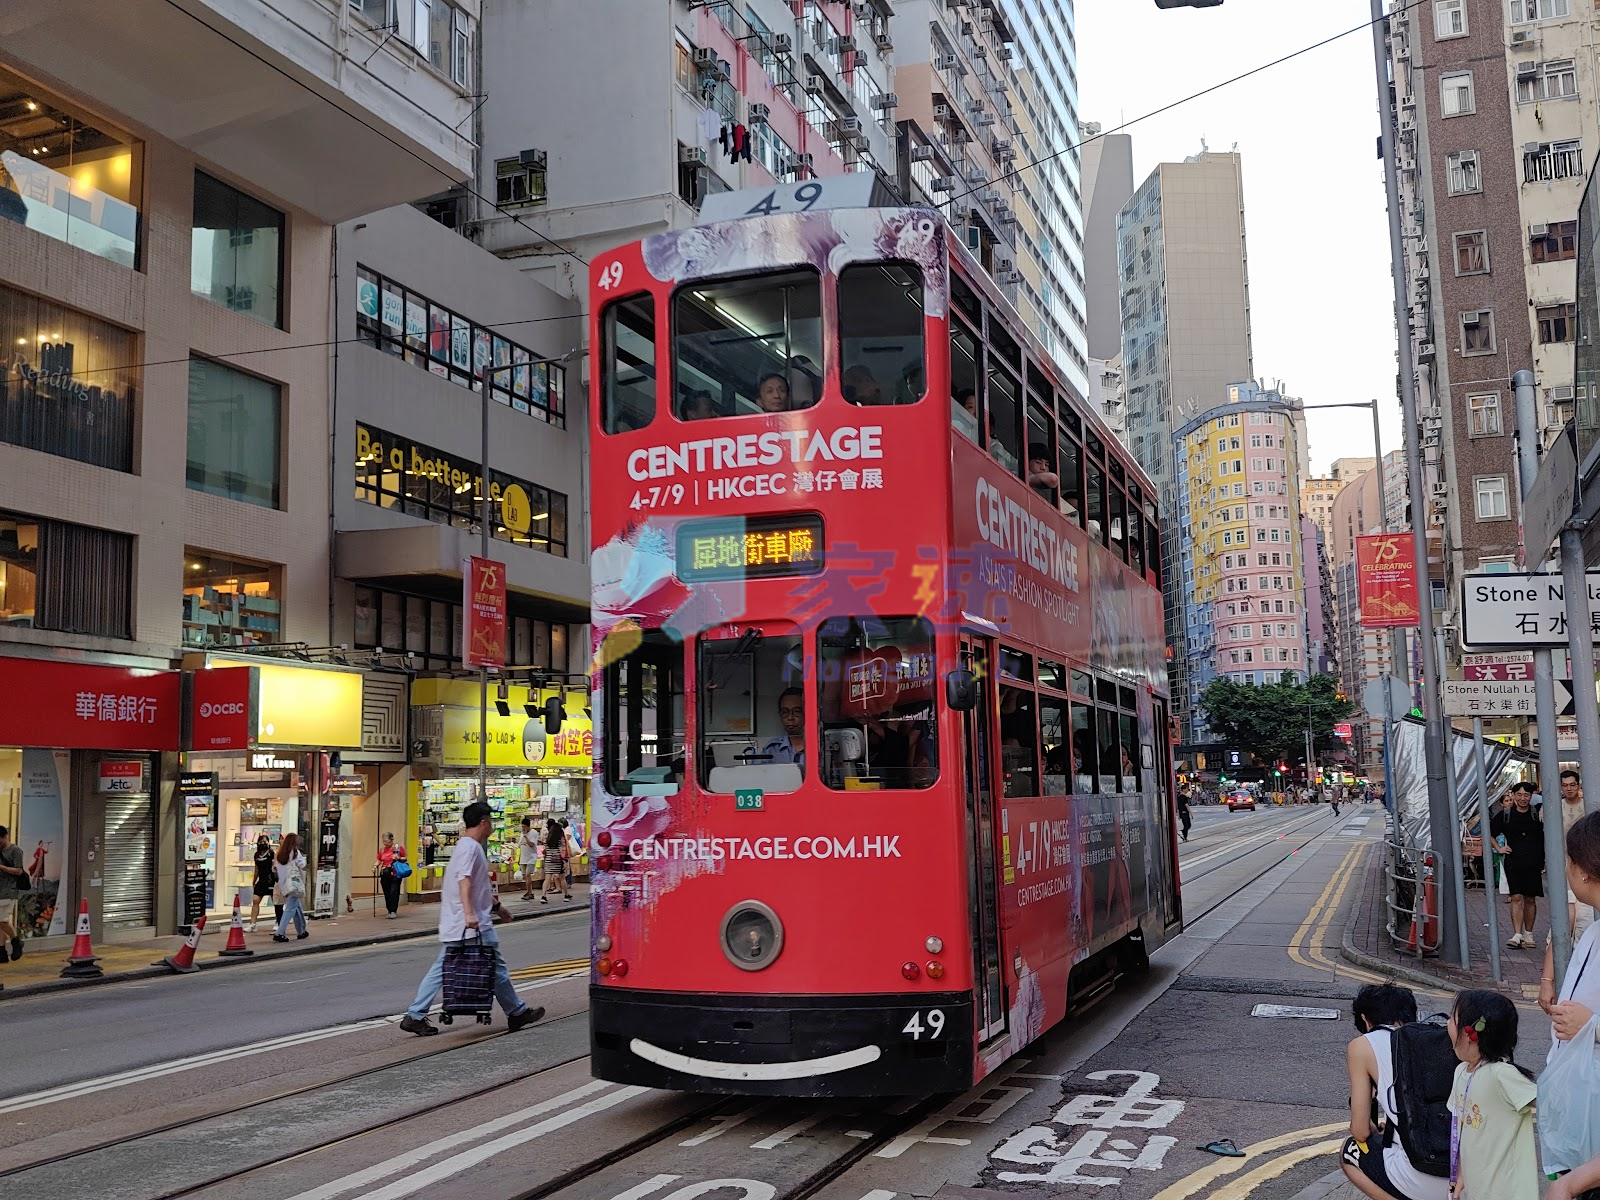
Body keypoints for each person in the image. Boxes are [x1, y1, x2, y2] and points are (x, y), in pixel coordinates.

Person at [399, 801, 543, 1036]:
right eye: (491, 821)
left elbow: (479, 886)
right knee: (493, 967)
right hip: (468, 925)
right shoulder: (470, 848)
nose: (493, 826)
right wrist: (469, 914)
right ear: (484, 822)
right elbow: (464, 880)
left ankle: (415, 1015)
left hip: (462, 923)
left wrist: (498, 907)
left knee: (449, 968)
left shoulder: (466, 846)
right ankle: (516, 1012)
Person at [1340, 983, 1448, 1200]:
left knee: (1350, 1150)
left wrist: (1370, 1127)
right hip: (1465, 1176)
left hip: (1421, 1177)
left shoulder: (1362, 1045)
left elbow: (1360, 1131)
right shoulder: (1437, 1040)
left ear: (1365, 1020)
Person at [1445, 989, 1536, 1200]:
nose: (1447, 1023)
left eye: (1452, 1017)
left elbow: (1552, 1103)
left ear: (1469, 1034)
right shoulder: (1461, 1072)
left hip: (1508, 1193)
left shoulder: (1501, 1074)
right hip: (1478, 1190)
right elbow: (1463, 1133)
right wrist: (1460, 1175)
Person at [1540, 811, 1600, 1055]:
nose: (1567, 868)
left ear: (1583, 871)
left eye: (1569, 860)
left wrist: (1593, 1027)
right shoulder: (1594, 932)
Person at [1491, 782, 1544, 949]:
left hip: (1534, 862)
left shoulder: (1537, 813)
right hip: (1513, 861)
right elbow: (1490, 833)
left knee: (1530, 898)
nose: (1523, 798)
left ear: (1531, 796)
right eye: (1519, 795)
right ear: (1513, 795)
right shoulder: (1505, 815)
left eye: (1526, 795)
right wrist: (1499, 848)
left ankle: (1529, 933)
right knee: (1516, 897)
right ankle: (1517, 934)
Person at [1559, 770, 1594, 938]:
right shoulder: (1554, 807)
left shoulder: (1588, 805)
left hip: (1585, 862)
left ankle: (1581, 939)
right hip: (1563, 863)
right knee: (1566, 903)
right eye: (1565, 785)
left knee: (1584, 906)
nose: (1569, 788)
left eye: (1572, 785)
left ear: (1578, 785)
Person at [757, 687, 806, 772]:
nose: (790, 718)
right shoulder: (772, 749)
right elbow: (759, 776)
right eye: (785, 712)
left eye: (797, 711)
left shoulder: (819, 747)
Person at [272, 832, 309, 943]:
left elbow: (276, 868)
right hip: (294, 884)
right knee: (290, 909)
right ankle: (280, 932)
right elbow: (302, 864)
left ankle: (301, 931)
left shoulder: (279, 854)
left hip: (284, 884)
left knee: (297, 907)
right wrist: (304, 858)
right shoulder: (295, 853)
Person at [0, 825, 24, 962]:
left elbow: (19, 871)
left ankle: (16, 941)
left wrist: (1, 867)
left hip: (9, 891)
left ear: (4, 837)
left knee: (2, 921)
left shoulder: (16, 851)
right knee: (1, 922)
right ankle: (1, 951)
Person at [247, 834, 276, 933]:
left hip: (271, 880)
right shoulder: (256, 855)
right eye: (261, 842)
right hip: (261, 880)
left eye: (265, 842)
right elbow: (256, 869)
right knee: (255, 900)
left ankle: (278, 922)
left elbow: (274, 867)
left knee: (276, 902)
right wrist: (254, 881)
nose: (263, 844)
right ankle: (253, 924)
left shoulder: (272, 853)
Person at [376, 831, 407, 919]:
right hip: (385, 873)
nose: (385, 843)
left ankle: (393, 910)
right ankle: (389, 910)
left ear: (391, 839)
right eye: (384, 841)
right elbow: (379, 859)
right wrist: (375, 866)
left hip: (395, 873)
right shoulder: (382, 850)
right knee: (387, 892)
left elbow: (405, 858)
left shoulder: (398, 848)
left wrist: (399, 858)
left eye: (387, 841)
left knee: (394, 891)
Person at [540, 818, 571, 904]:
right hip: (558, 860)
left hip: (549, 860)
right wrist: (564, 860)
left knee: (547, 879)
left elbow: (545, 851)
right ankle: (566, 895)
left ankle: (543, 896)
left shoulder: (548, 839)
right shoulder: (559, 840)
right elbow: (562, 850)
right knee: (562, 878)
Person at [519, 816, 541, 901]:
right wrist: (519, 858)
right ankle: (528, 892)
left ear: (528, 826)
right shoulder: (522, 833)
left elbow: (531, 844)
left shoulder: (533, 833)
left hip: (531, 857)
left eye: (524, 827)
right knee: (524, 875)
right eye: (522, 827)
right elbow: (520, 844)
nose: (523, 828)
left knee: (528, 874)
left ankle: (529, 892)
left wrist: (525, 836)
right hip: (523, 857)